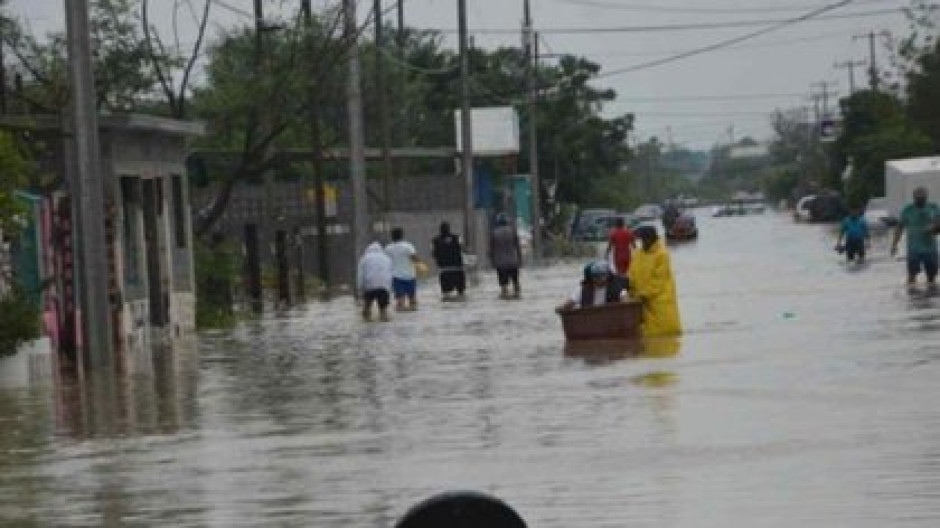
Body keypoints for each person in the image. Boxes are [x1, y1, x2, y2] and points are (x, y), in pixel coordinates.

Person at [628, 226, 682, 337]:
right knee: (646, 334)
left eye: (644, 239)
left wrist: (644, 294)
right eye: (641, 239)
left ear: (651, 238)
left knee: (665, 333)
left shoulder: (662, 254)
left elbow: (659, 280)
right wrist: (630, 290)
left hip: (660, 299)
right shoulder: (638, 253)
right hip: (641, 299)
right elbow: (632, 273)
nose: (642, 242)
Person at [891, 186, 940, 285]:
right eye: (918, 199)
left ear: (926, 197)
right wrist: (894, 244)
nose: (920, 201)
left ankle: (929, 296)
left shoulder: (934, 207)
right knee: (912, 277)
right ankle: (913, 297)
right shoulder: (907, 210)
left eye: (923, 199)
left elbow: (939, 223)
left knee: (932, 278)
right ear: (914, 198)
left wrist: (933, 227)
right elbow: (899, 228)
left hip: (930, 249)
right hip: (914, 249)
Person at [558, 260, 627, 310]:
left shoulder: (617, 288)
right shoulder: (583, 289)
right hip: (589, 322)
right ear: (591, 277)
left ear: (608, 276)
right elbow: (570, 303)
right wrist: (561, 308)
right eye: (596, 276)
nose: (599, 278)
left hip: (610, 322)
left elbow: (625, 300)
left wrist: (623, 300)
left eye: (603, 275)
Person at [385, 227, 421, 311]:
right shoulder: (408, 246)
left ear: (391, 236)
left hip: (396, 277)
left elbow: (385, 262)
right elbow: (415, 258)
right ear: (402, 236)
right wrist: (421, 266)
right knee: (413, 299)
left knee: (400, 301)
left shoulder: (388, 248)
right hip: (410, 276)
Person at [489, 213, 523, 299]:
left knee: (504, 285)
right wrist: (520, 259)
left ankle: (504, 297)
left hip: (500, 263)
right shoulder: (512, 231)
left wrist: (492, 261)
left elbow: (492, 249)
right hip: (513, 262)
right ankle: (517, 295)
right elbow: (517, 246)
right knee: (516, 283)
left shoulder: (494, 233)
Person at [357, 241, 393, 321]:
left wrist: (359, 288)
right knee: (383, 308)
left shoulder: (364, 258)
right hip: (383, 286)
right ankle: (383, 315)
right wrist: (389, 288)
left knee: (367, 305)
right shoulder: (387, 258)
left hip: (369, 286)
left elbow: (360, 275)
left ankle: (366, 314)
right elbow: (390, 274)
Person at [432, 222, 466, 299]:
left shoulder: (435, 240)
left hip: (444, 270)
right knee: (461, 293)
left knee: (446, 294)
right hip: (458, 269)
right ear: (449, 228)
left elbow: (434, 254)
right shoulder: (457, 238)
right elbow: (463, 249)